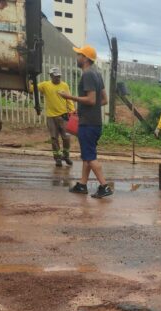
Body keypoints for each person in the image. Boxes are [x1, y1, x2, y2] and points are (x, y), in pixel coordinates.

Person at [59, 45, 113, 199]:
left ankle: (104, 186)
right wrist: (81, 109)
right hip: (94, 123)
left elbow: (91, 99)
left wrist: (69, 98)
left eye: (79, 55)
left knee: (90, 157)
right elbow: (103, 100)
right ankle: (82, 185)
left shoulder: (88, 75)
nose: (77, 58)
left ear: (86, 59)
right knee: (87, 155)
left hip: (88, 124)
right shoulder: (97, 74)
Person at [31, 67, 74, 167]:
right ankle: (57, 158)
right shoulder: (45, 85)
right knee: (54, 138)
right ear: (51, 76)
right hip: (51, 117)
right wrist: (28, 82)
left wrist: (72, 111)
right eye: (55, 76)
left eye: (59, 76)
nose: (58, 78)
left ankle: (66, 155)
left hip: (64, 116)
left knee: (66, 138)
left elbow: (69, 99)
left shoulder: (64, 85)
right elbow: (32, 88)